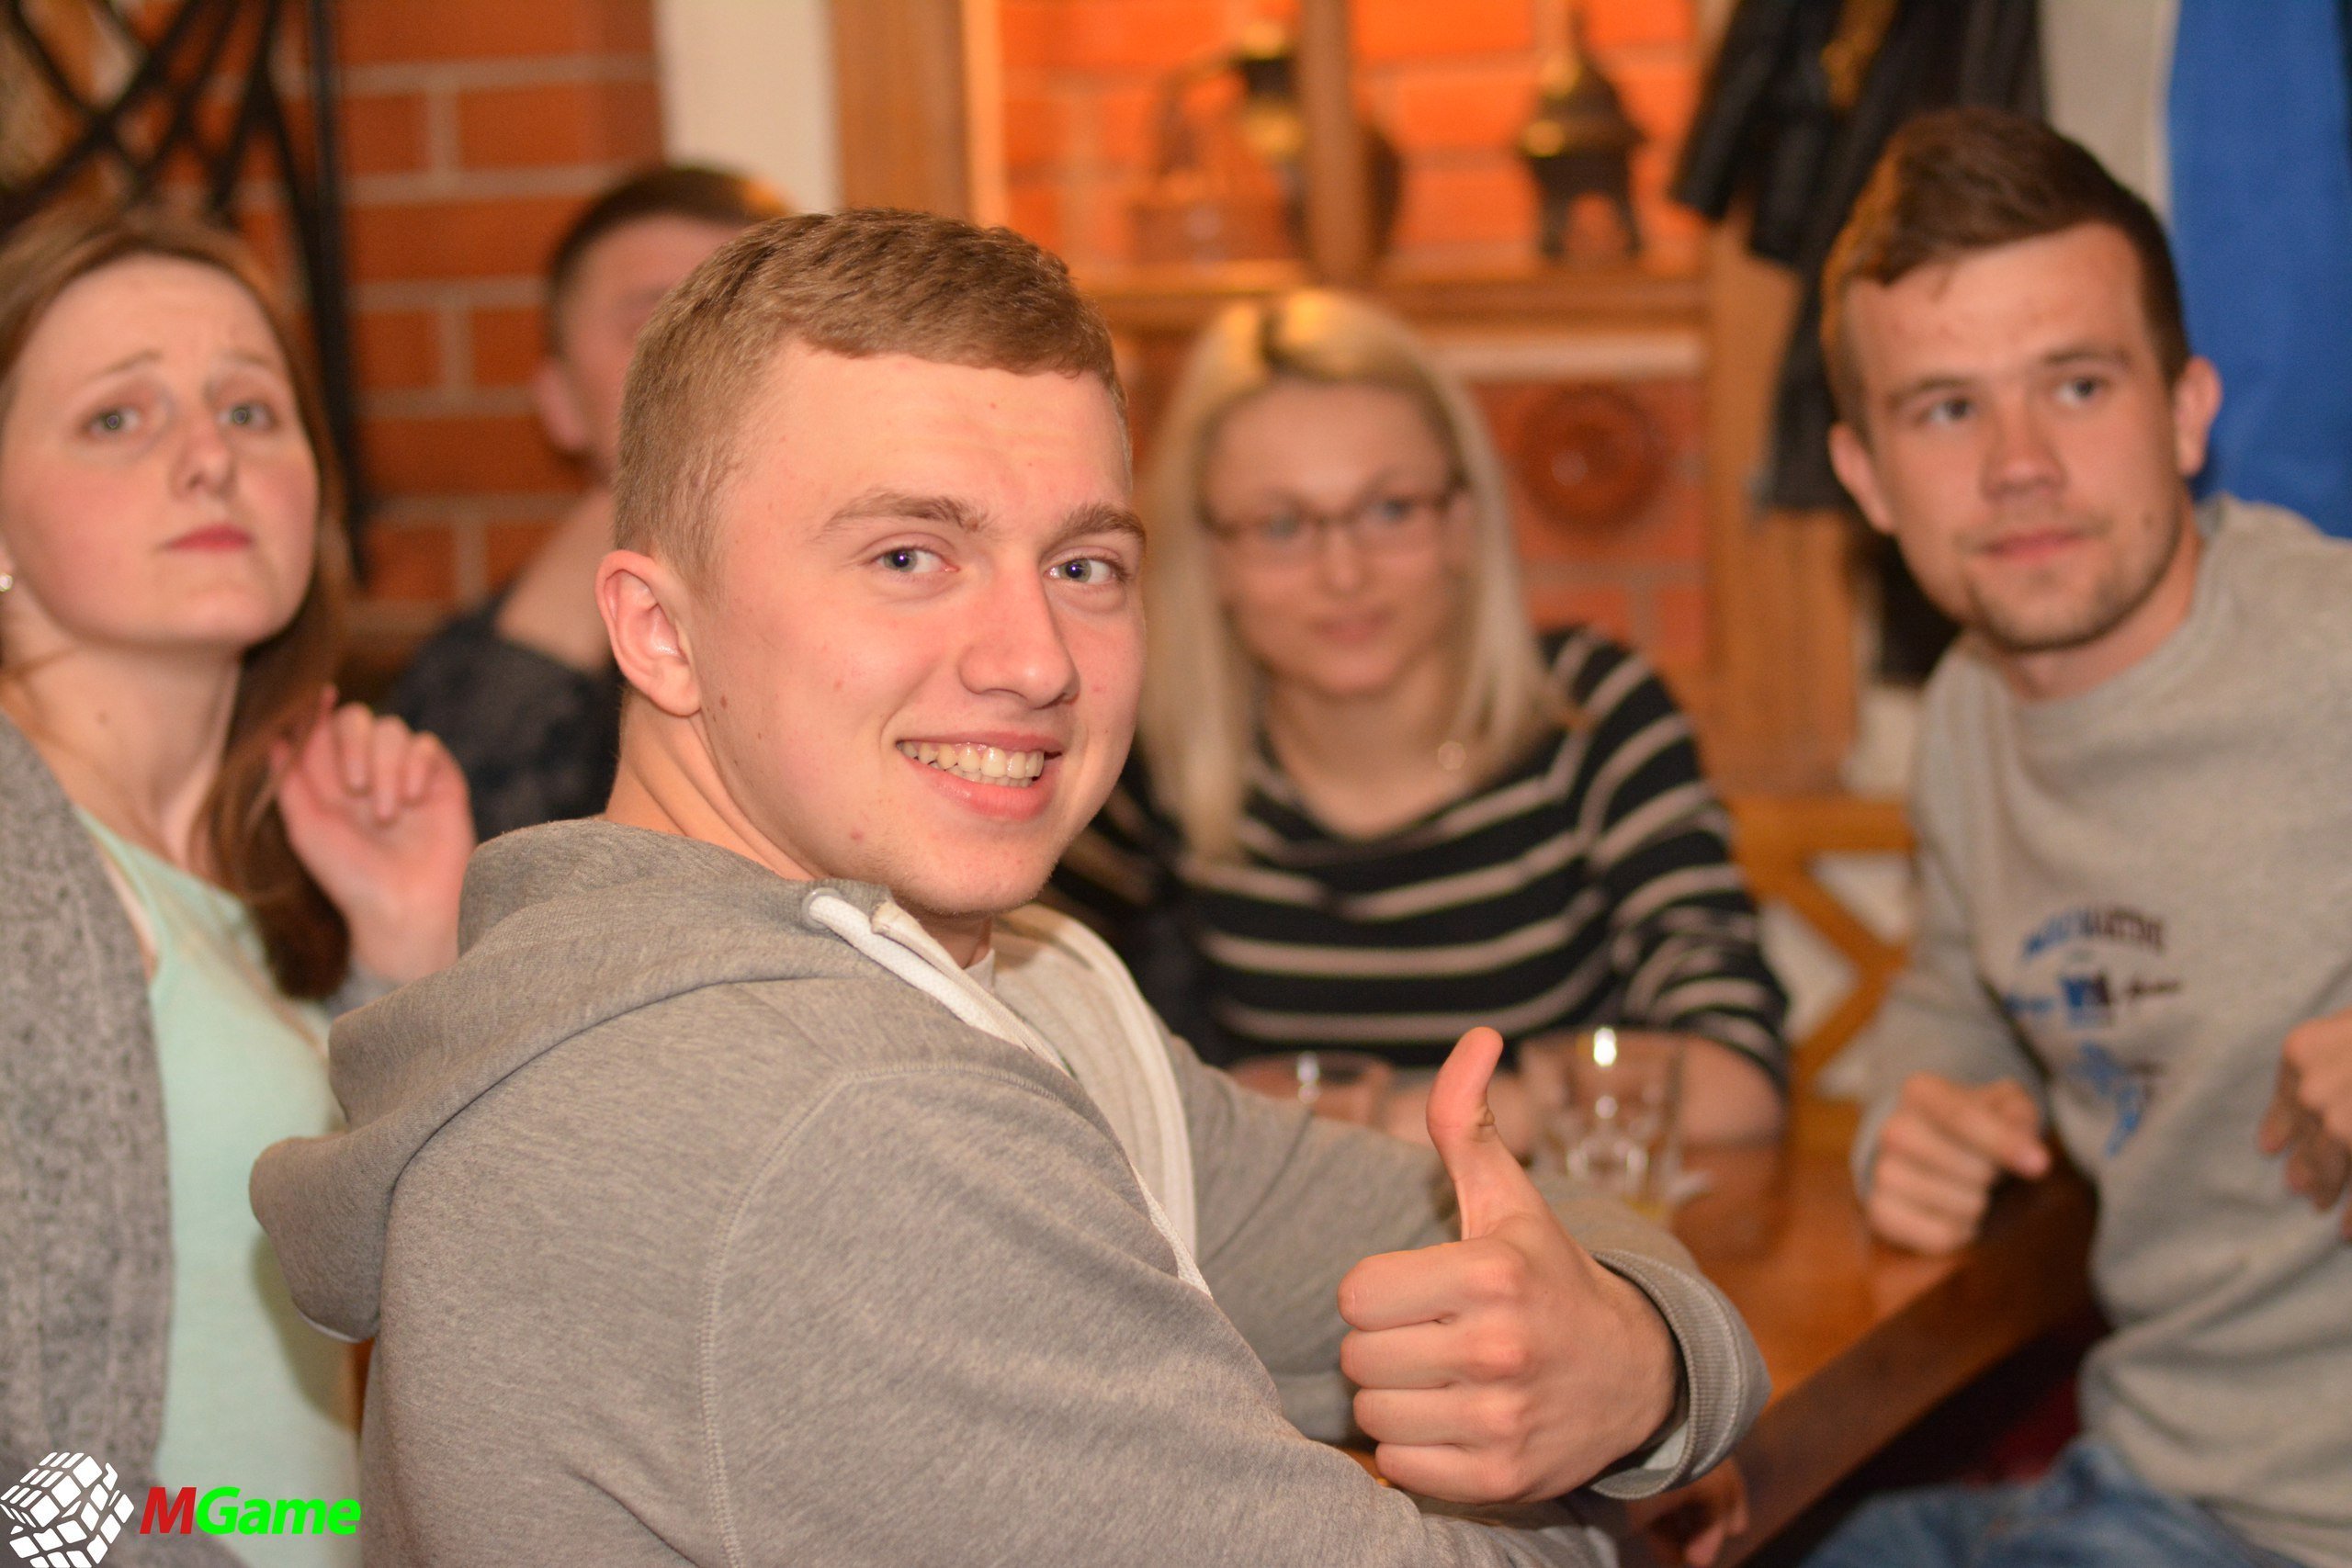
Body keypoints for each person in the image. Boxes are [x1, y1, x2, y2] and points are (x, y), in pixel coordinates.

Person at [251, 209, 1768, 1566]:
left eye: (1085, 567)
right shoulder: (829, 1120)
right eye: (910, 556)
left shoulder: (1012, 979)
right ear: (659, 631)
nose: (1036, 660)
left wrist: (1641, 1362)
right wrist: (1615, 1489)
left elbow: (1468, 1226)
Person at [1806, 108, 2352, 1568]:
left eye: (2079, 384)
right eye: (1947, 409)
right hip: (2145, 1474)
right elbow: (1960, 987)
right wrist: (1917, 1110)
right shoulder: (1972, 714)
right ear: (1866, 475)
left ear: (2187, 410)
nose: (2021, 464)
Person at [0, 207, 470, 1562]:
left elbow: (424, 1301)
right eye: (117, 418)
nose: (210, 456)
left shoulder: (259, 871)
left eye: (252, 410)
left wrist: (402, 961)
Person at [1050, 289, 1788, 1149]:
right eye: (1282, 525)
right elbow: (1037, 1052)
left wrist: (1390, 1127)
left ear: (1462, 525)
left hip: (1557, 1229)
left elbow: (1738, 1078)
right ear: (1212, 558)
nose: (1344, 573)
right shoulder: (1155, 758)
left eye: (1391, 509)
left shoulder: (1591, 717)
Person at [390, 164, 786, 839]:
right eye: (655, 325)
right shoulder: (460, 679)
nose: (713, 361)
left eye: (750, 322)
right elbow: (452, 864)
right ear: (560, 403)